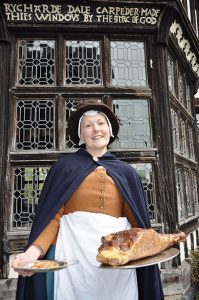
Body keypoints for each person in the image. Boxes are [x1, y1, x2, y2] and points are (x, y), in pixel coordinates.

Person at [13, 100, 164, 300]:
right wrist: (33, 253)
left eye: (101, 123)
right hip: (73, 254)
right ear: (80, 134)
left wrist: (150, 247)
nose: (96, 129)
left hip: (116, 257)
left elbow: (136, 224)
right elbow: (53, 218)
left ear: (110, 131)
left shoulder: (127, 173)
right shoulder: (64, 169)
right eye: (88, 125)